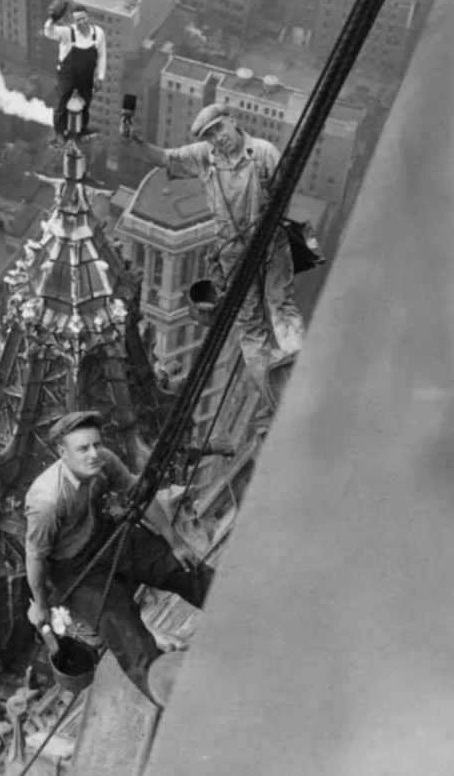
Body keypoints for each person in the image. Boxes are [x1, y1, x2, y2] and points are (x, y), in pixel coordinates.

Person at [24, 411, 214, 704]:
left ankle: (238, 605)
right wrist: (41, 605)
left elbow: (139, 495)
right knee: (124, 630)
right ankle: (172, 699)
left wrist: (174, 542)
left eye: (96, 444)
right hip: (76, 569)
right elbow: (35, 558)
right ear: (63, 453)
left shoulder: (105, 461)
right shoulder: (46, 500)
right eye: (82, 449)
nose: (93, 454)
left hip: (111, 536)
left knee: (182, 569)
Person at [125, 103, 305, 409]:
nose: (217, 137)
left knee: (279, 306)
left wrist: (261, 232)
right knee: (250, 327)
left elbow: (283, 197)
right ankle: (277, 399)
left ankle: (301, 374)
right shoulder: (203, 158)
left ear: (232, 121)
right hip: (233, 256)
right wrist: (136, 142)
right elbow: (164, 158)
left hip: (269, 245)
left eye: (219, 128)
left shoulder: (263, 153)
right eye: (210, 134)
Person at [44, 0, 106, 142]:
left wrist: (100, 77)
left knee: (86, 101)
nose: (81, 22)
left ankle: (82, 129)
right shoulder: (67, 32)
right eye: (78, 20)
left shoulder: (98, 33)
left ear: (88, 16)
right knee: (62, 102)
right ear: (73, 20)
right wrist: (53, 19)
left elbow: (102, 56)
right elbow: (49, 32)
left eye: (83, 18)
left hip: (86, 74)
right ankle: (59, 132)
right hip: (67, 74)